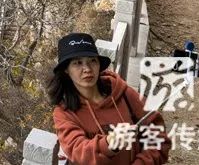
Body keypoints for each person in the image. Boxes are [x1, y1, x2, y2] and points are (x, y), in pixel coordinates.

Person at [47, 32, 171, 165]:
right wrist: (109, 142)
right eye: (78, 63)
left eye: (92, 61)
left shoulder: (123, 93)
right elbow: (79, 151)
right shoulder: (64, 113)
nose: (87, 69)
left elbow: (158, 135)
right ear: (66, 70)